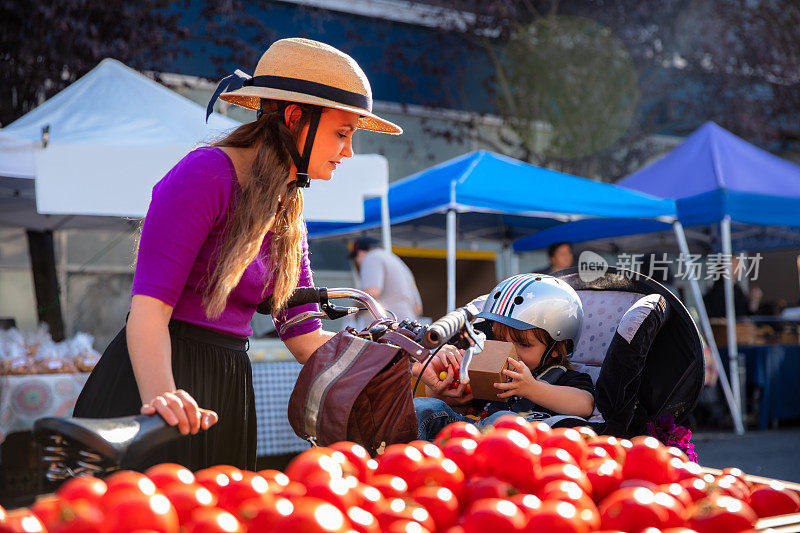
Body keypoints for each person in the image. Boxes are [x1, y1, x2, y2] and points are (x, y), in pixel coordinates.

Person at [73, 38, 402, 470]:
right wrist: (162, 399)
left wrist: (406, 368)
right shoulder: (205, 174)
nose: (348, 151)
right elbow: (148, 313)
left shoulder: (286, 206)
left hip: (229, 386)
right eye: (342, 133)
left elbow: (304, 339)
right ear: (295, 116)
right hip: (159, 381)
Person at [414, 274, 596, 440]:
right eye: (500, 339)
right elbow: (453, 406)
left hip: (512, 441)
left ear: (556, 348)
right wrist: (445, 391)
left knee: (503, 420)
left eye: (523, 344)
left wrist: (532, 388)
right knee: (421, 406)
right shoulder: (489, 365)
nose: (510, 349)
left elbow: (584, 404)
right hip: (467, 432)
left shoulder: (563, 377)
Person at [351, 236, 423, 320]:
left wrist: (353, 311)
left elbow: (371, 292)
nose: (357, 262)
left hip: (388, 326)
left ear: (359, 253)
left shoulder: (372, 257)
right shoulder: (395, 260)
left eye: (355, 258)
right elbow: (418, 308)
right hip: (408, 323)